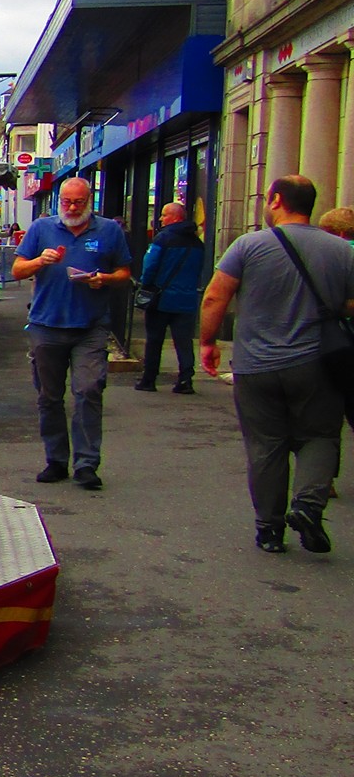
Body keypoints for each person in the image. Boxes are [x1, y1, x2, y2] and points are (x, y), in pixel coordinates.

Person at [199, 175, 354, 554]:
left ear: (278, 200)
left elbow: (216, 296)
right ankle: (307, 506)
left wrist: (207, 342)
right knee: (319, 436)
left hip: (256, 366)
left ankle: (269, 530)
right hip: (319, 363)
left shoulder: (248, 245)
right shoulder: (342, 251)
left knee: (265, 446)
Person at [11, 178, 132, 489]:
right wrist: (40, 260)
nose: (72, 208)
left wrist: (103, 278)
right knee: (49, 397)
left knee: (89, 390)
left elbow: (125, 273)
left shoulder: (108, 230)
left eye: (78, 202)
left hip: (90, 326)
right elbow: (17, 270)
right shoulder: (41, 228)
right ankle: (56, 460)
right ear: (58, 201)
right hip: (46, 324)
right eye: (66, 202)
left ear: (89, 201)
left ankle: (87, 463)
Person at [134, 202, 205, 394]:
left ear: (175, 217)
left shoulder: (162, 239)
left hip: (161, 299)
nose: (160, 219)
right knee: (184, 341)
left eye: (164, 215)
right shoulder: (197, 242)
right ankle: (186, 380)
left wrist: (145, 285)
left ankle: (149, 380)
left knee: (154, 339)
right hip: (187, 299)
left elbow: (150, 265)